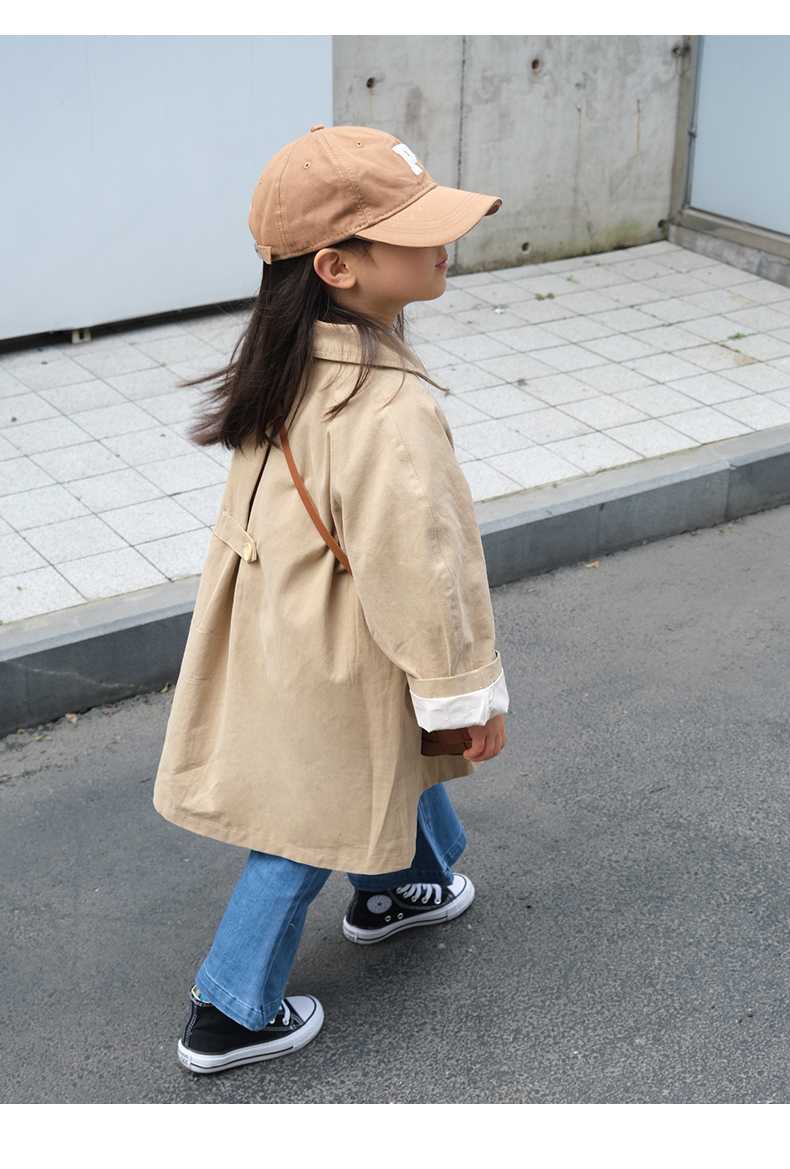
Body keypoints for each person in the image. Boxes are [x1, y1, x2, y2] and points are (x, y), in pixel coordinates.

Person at [153, 124, 509, 1075]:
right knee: (308, 814)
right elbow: (424, 570)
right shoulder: (387, 405)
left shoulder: (285, 361)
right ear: (337, 266)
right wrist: (464, 693)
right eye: (416, 228)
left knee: (365, 761)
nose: (445, 240)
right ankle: (230, 1010)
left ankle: (399, 888)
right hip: (351, 637)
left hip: (289, 621)